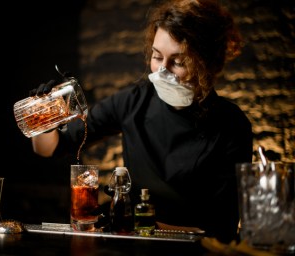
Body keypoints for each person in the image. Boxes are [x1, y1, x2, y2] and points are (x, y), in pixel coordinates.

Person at [31, 0, 253, 243]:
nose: (162, 71)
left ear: (209, 65)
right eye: (157, 57)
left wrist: (147, 226)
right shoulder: (134, 101)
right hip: (135, 245)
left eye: (178, 62)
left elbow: (223, 229)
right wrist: (43, 117)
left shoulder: (231, 124)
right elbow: (50, 148)